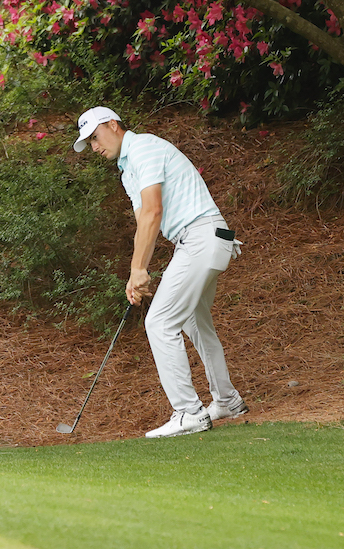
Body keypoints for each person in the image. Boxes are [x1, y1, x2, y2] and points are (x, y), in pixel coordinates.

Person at [73, 106, 247, 438]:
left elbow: (155, 210)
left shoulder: (143, 148)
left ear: (113, 125)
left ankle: (189, 412)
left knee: (159, 322)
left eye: (96, 137)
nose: (94, 147)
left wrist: (139, 269)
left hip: (201, 237)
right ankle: (226, 400)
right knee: (194, 322)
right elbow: (144, 223)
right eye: (89, 142)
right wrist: (136, 272)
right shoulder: (128, 170)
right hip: (203, 241)